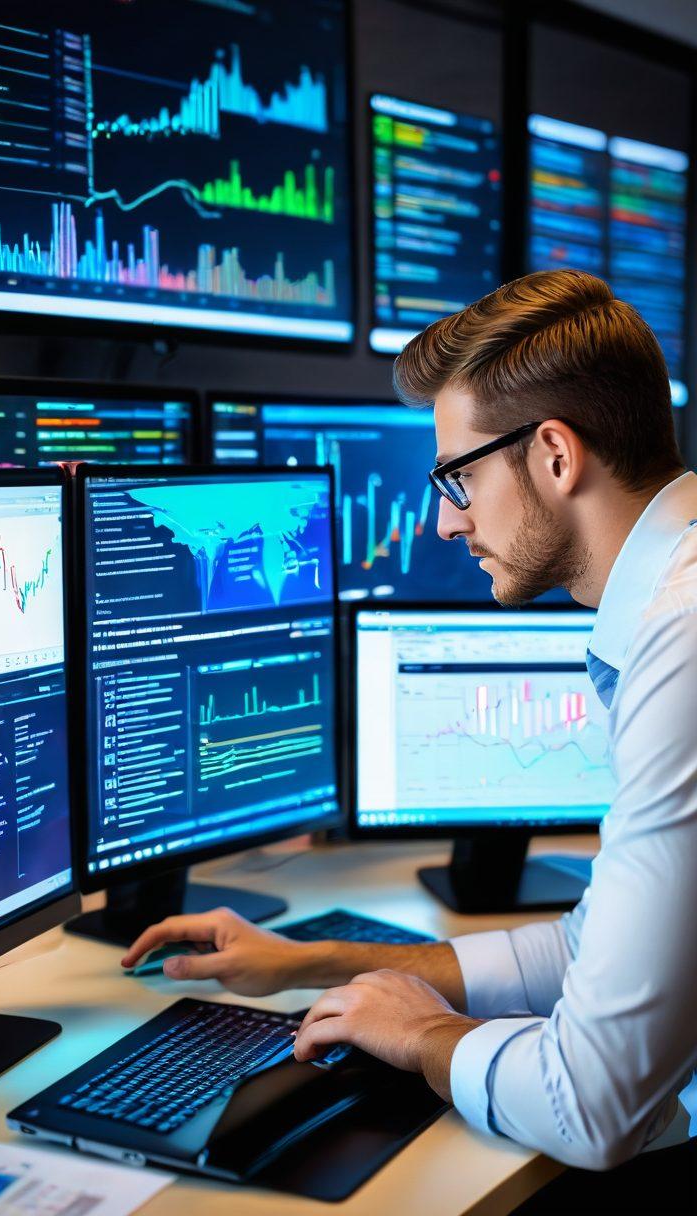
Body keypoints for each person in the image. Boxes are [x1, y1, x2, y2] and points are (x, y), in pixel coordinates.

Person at [120, 270, 697, 1208]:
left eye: (459, 475)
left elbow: (591, 1106)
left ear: (555, 455)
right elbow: (592, 948)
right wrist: (316, 963)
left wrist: (423, 1034)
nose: (445, 519)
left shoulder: (682, 639)